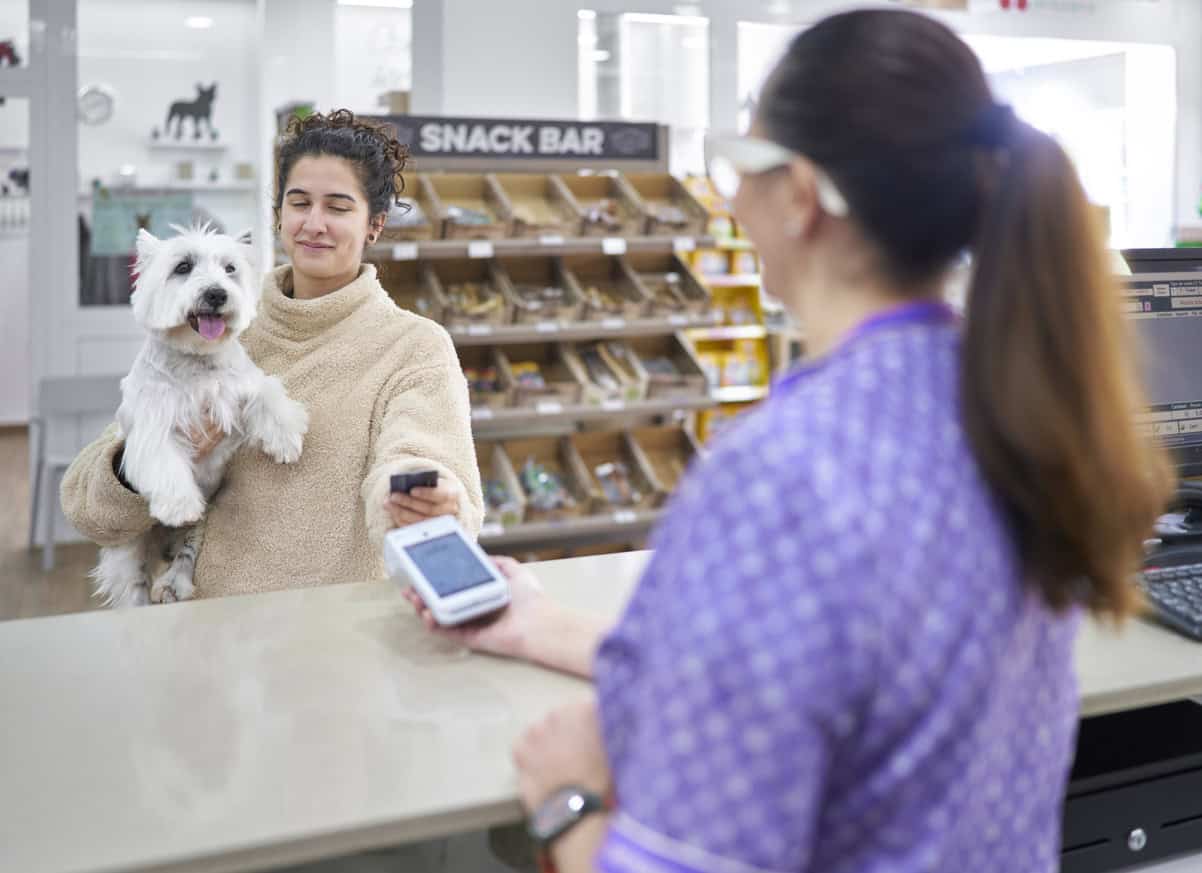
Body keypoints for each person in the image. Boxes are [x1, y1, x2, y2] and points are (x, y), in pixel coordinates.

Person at [406, 10, 1171, 873]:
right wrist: (540, 627)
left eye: (740, 166)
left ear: (802, 196)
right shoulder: (1018, 417)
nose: (730, 199)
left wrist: (565, 804)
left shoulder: (780, 477)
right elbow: (826, 676)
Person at [62, 109, 483, 599]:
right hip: (200, 624)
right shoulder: (204, 322)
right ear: (279, 213)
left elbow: (421, 455)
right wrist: (142, 468)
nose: (314, 223)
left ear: (376, 224)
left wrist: (419, 493)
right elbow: (90, 507)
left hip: (331, 629)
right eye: (299, 202)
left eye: (339, 207)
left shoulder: (414, 347)